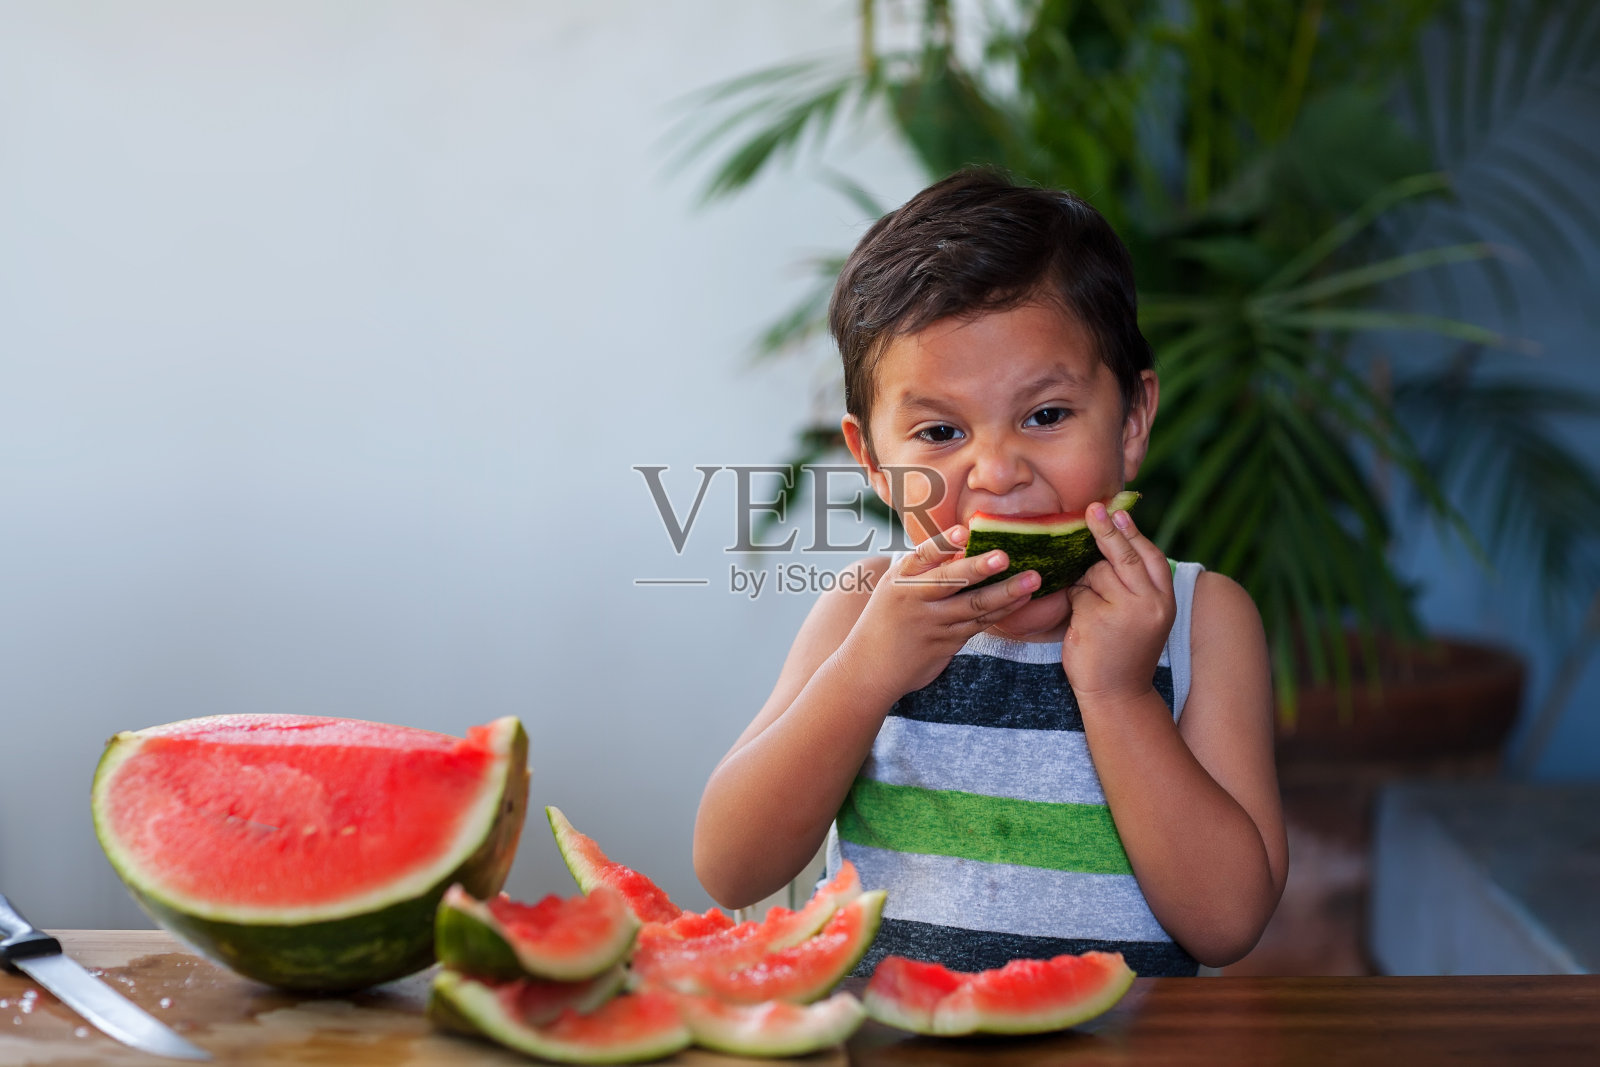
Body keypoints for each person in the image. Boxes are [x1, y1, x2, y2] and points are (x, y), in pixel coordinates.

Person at [693, 168, 1287, 977]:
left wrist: (1117, 694)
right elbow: (732, 867)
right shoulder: (862, 612)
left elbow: (1228, 921)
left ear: (1133, 421)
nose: (998, 471)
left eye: (1045, 416)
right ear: (872, 461)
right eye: (940, 431)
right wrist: (869, 671)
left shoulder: (1200, 618)